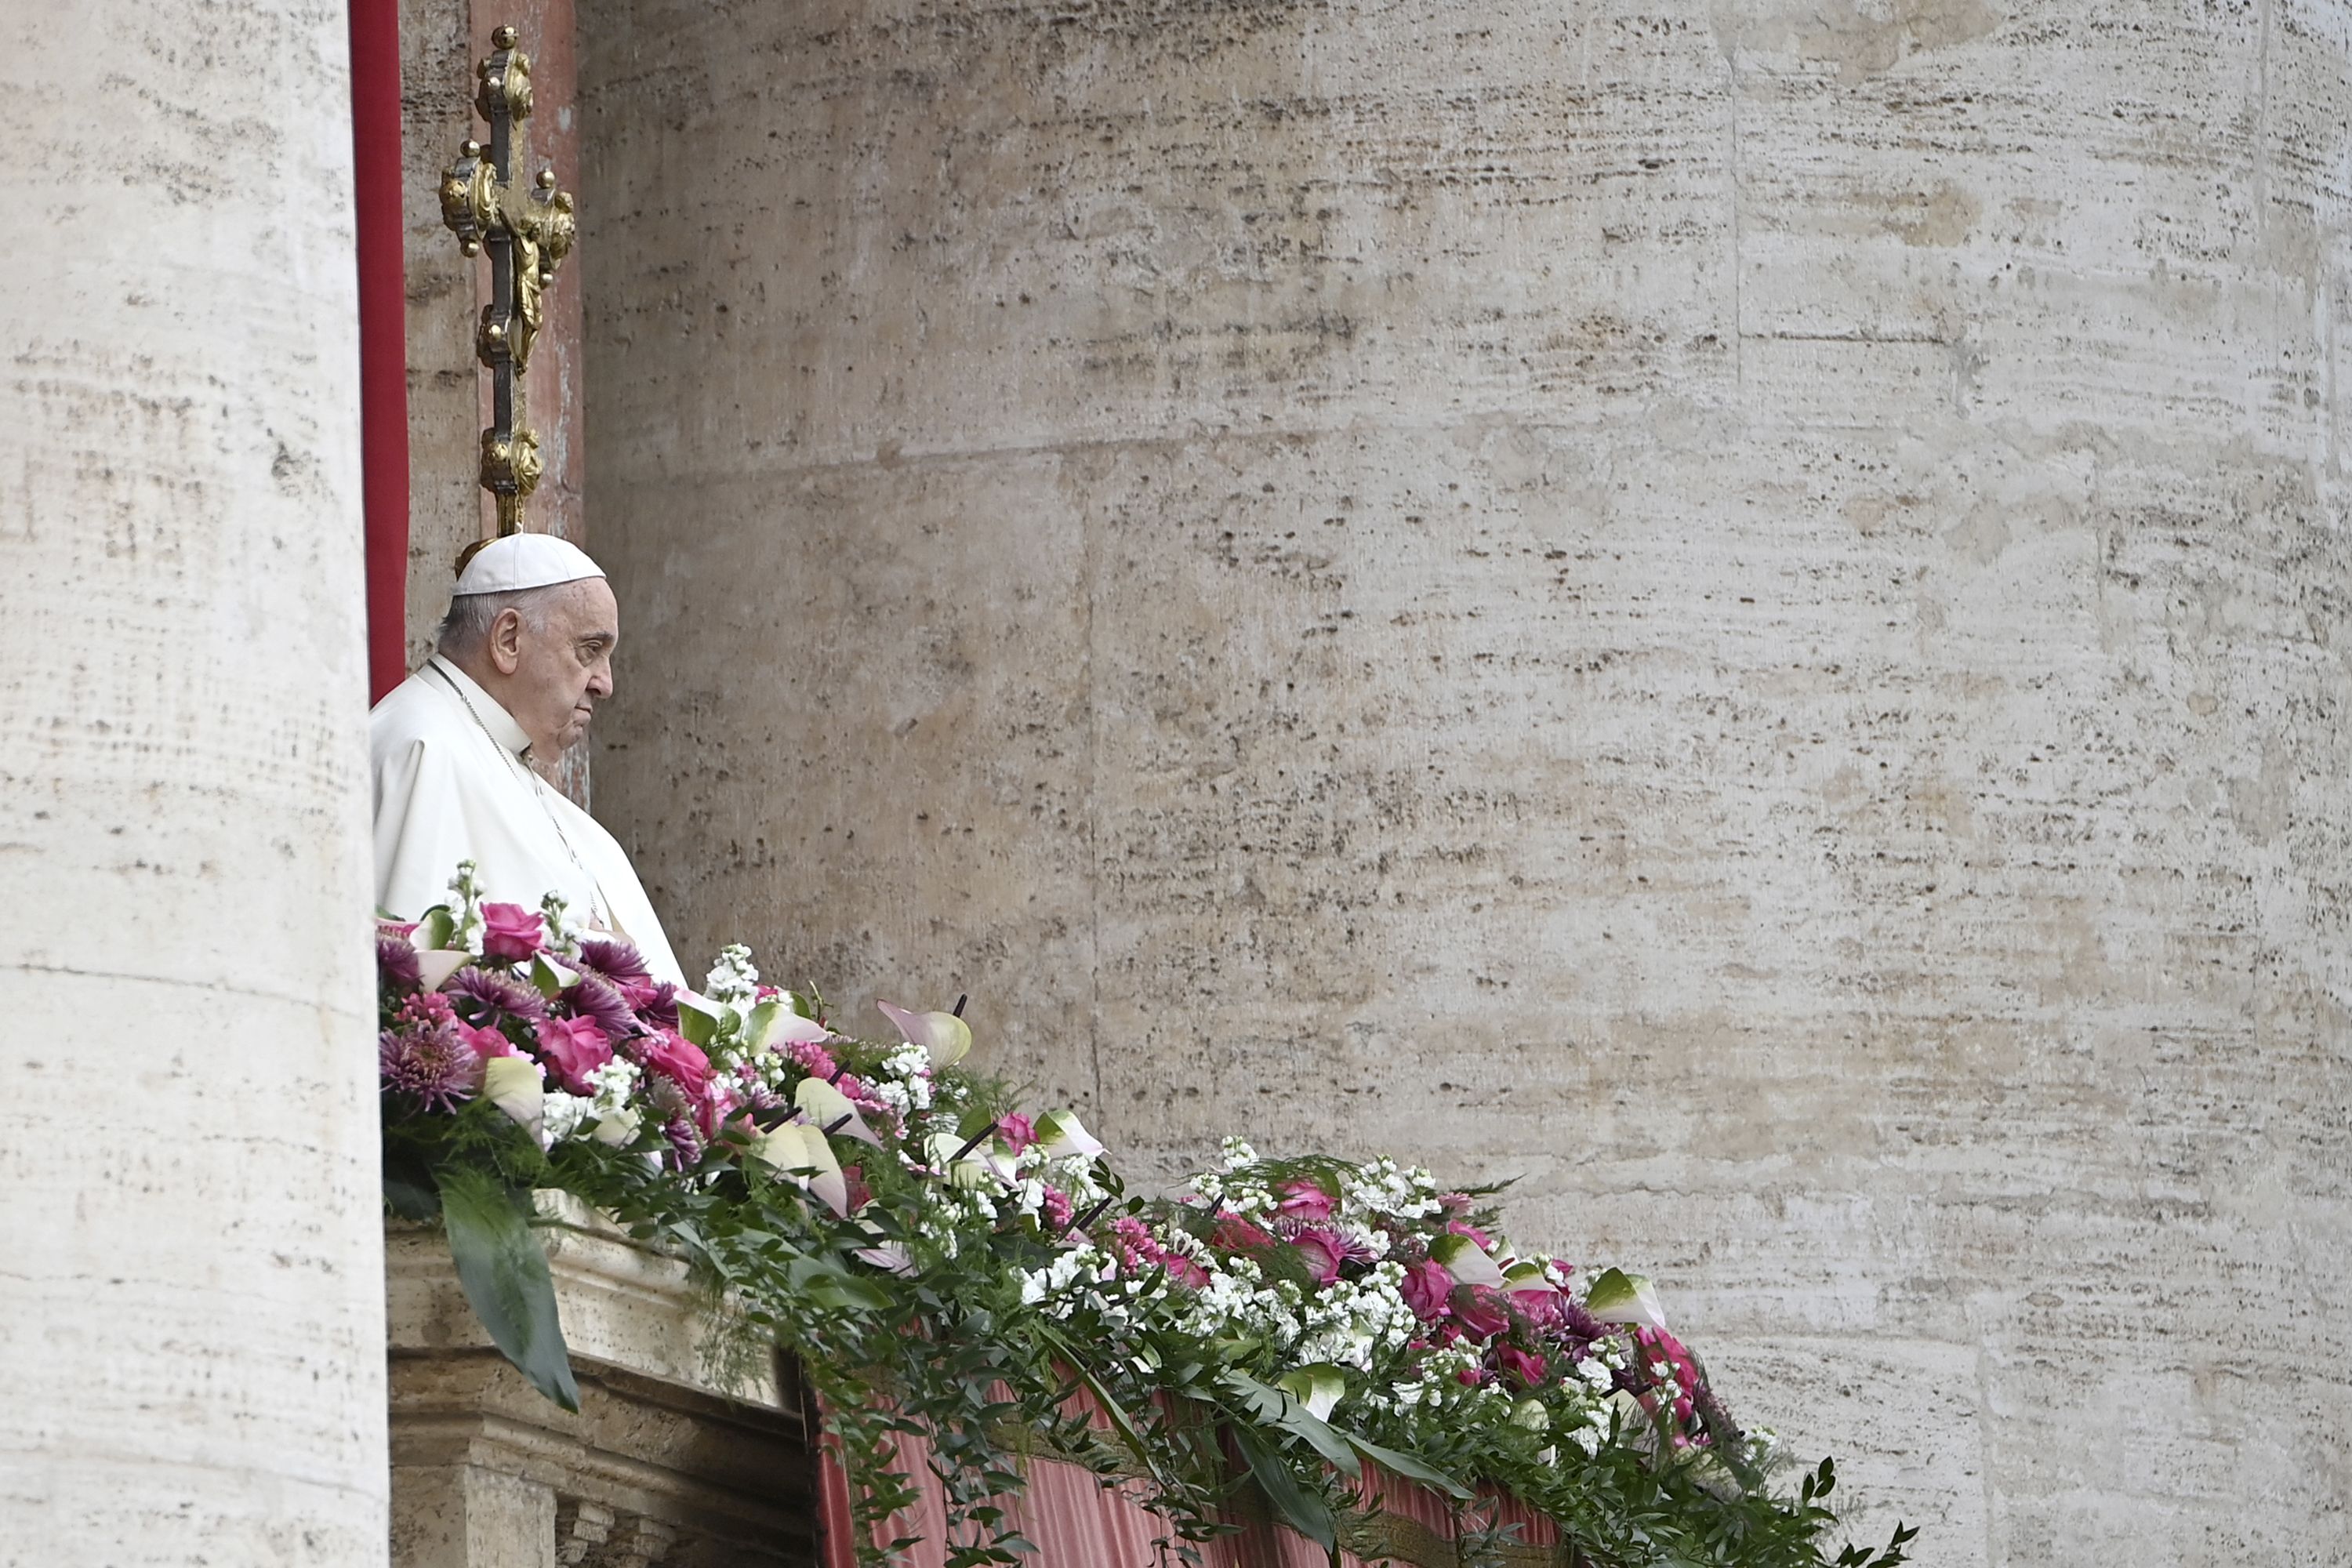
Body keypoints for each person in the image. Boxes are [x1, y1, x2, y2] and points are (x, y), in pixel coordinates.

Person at [370, 532, 684, 985]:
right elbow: (414, 998)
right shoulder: (423, 749)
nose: (605, 684)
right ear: (509, 639)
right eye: (590, 651)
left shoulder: (507, 760)